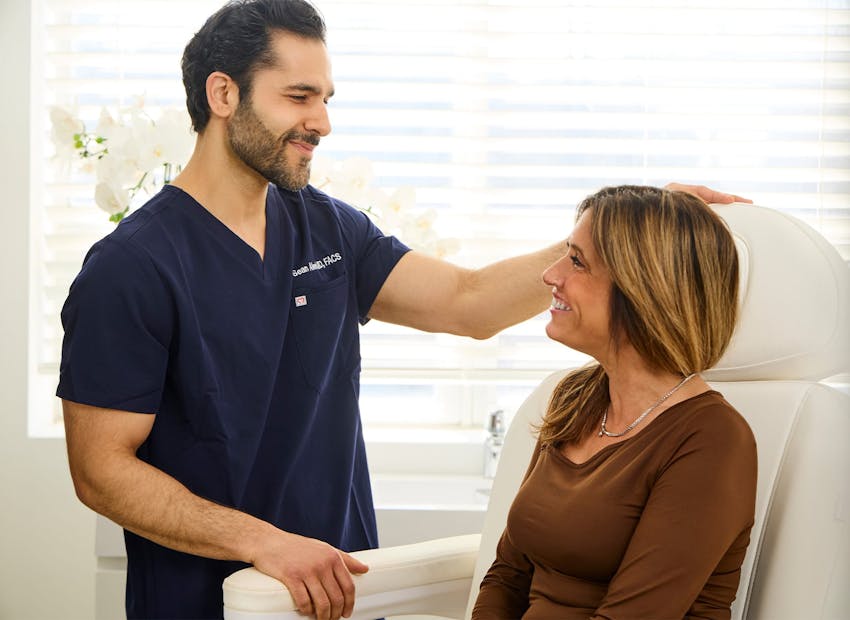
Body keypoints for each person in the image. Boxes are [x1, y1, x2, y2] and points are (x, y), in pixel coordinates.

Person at [56, 1, 749, 619]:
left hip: (346, 591)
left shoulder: (327, 229)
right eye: (299, 97)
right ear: (223, 94)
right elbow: (100, 469)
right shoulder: (132, 268)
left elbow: (468, 302)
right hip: (211, 599)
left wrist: (619, 240)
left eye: (325, 98)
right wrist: (264, 543)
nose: (321, 122)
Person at [471, 185, 758, 620]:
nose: (551, 275)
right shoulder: (576, 398)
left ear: (645, 289)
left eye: (577, 261)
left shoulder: (713, 440)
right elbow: (508, 575)